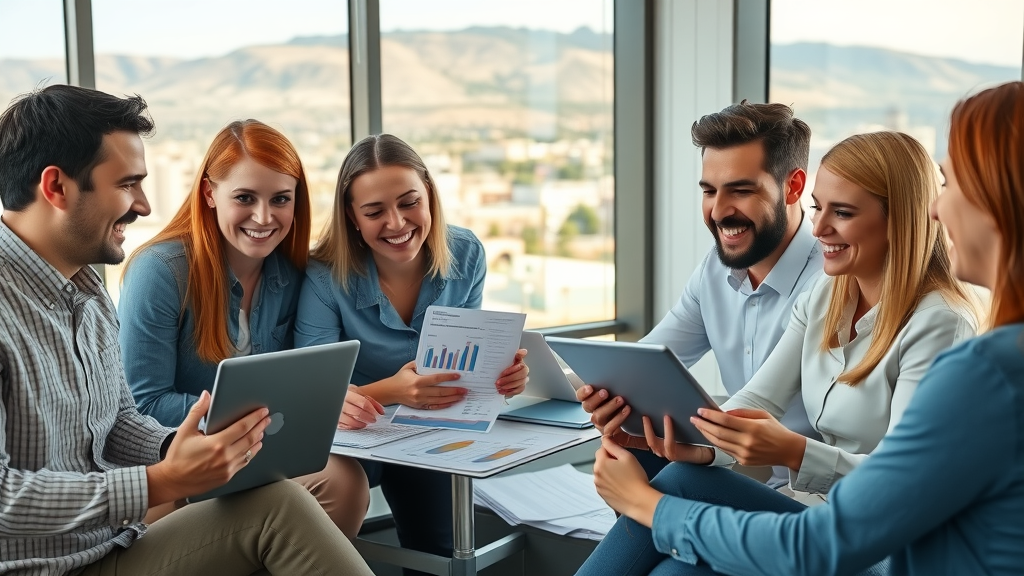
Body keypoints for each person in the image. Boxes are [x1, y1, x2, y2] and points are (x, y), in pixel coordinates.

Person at [573, 109, 1024, 575]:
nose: (818, 228)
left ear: (901, 222)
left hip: (877, 547)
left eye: (842, 213)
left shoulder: (942, 326)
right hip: (814, 512)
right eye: (818, 208)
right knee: (678, 552)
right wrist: (699, 445)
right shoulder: (827, 294)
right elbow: (759, 400)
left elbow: (898, 494)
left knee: (678, 491)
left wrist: (794, 451)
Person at [0, 85, 372, 575]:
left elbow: (119, 421)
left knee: (283, 504)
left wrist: (172, 449)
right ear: (57, 188)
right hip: (42, 567)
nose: (144, 205)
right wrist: (161, 481)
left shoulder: (85, 293)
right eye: (127, 184)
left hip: (106, 547)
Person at [117, 120, 370, 536]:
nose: (264, 217)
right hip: (178, 460)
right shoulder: (160, 271)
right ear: (209, 194)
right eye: (245, 198)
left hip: (258, 453)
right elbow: (144, 404)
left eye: (281, 199)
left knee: (345, 481)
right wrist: (248, 412)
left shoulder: (293, 272)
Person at [295, 133, 529, 570]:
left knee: (440, 554)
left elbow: (464, 358)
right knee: (334, 547)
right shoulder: (324, 275)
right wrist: (394, 391)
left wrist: (501, 375)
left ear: (430, 197)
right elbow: (316, 392)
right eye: (374, 211)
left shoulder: (465, 252)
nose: (397, 223)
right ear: (352, 216)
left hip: (430, 430)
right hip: (351, 437)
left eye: (409, 202)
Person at [579, 101, 824, 485]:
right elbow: (643, 362)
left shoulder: (831, 279)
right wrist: (596, 391)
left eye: (740, 190)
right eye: (709, 191)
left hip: (808, 485)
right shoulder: (715, 269)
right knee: (626, 448)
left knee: (676, 480)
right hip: (739, 467)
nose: (719, 211)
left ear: (793, 187)